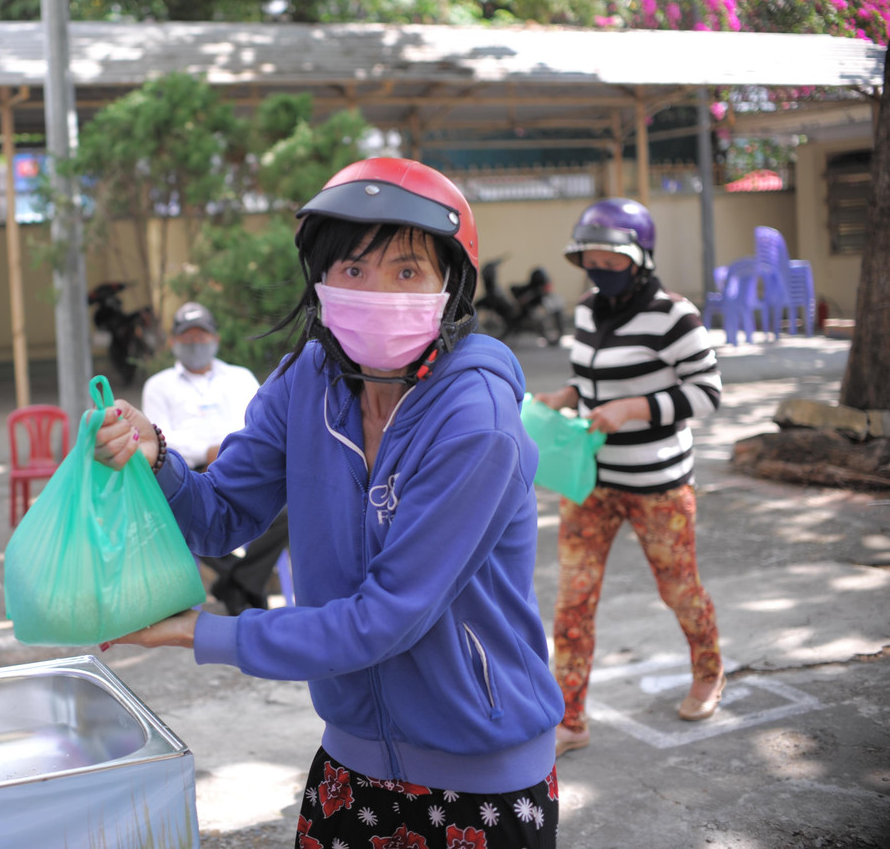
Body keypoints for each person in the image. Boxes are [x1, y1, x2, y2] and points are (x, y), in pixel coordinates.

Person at [95, 158, 564, 848]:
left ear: (450, 286)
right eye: (352, 269)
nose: (377, 291)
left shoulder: (477, 421)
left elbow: (384, 619)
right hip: (351, 763)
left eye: (407, 271)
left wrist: (202, 630)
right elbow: (220, 515)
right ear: (321, 280)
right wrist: (157, 458)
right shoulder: (305, 379)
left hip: (482, 778)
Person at [530, 197, 725, 759]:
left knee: (678, 588)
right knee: (572, 603)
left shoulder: (675, 315)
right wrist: (566, 396)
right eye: (589, 259)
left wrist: (634, 408)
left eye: (610, 260)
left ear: (639, 258)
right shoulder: (588, 310)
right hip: (589, 481)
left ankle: (709, 671)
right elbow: (589, 376)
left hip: (658, 484)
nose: (598, 270)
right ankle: (569, 719)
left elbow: (708, 392)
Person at [141, 302, 288, 615]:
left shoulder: (240, 377)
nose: (196, 343)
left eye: (201, 335)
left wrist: (225, 451)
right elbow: (156, 437)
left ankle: (238, 581)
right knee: (183, 513)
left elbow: (260, 425)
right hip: (183, 468)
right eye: (187, 336)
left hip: (240, 464)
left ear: (216, 338)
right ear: (173, 342)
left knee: (286, 513)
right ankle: (242, 583)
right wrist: (206, 450)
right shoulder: (159, 385)